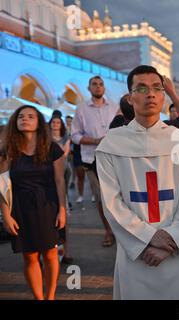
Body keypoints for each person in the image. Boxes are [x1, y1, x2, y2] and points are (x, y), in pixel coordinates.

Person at [95, 65, 179, 299]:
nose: (151, 94)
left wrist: (173, 239)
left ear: (164, 95)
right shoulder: (111, 145)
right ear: (130, 96)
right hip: (137, 252)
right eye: (142, 88)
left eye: (157, 88)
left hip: (176, 252)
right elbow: (111, 203)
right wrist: (148, 238)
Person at [0, 105, 66, 300]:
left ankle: (50, 295)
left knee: (51, 255)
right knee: (29, 256)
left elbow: (60, 180)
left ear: (38, 123)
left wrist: (62, 210)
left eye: (30, 116)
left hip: (47, 205)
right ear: (15, 121)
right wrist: (5, 215)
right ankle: (39, 297)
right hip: (20, 207)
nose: (25, 119)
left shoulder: (52, 148)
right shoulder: (8, 150)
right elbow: (2, 185)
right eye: (21, 116)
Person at [71, 76, 119, 247]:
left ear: (104, 88)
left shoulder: (114, 107)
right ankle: (108, 231)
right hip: (92, 160)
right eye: (94, 84)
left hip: (115, 158)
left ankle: (123, 231)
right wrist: (95, 141)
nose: (98, 87)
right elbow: (75, 136)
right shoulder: (81, 109)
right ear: (89, 88)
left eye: (100, 84)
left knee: (119, 196)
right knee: (100, 199)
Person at [49, 116, 73, 264]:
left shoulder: (65, 139)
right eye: (53, 122)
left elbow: (63, 157)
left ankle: (64, 253)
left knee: (63, 219)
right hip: (47, 178)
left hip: (62, 174)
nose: (55, 124)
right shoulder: (44, 139)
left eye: (58, 122)